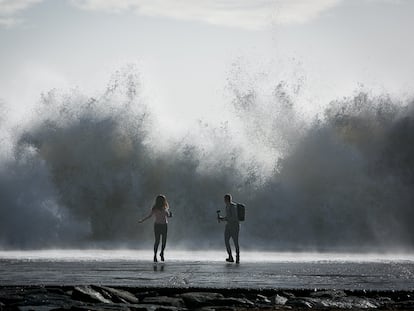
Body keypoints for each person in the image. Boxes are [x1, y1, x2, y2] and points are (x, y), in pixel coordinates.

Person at [139, 194, 172, 262]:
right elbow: (168, 216)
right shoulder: (164, 208)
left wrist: (142, 220)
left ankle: (155, 255)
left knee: (157, 241)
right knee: (163, 241)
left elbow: (149, 216)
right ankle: (161, 253)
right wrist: (171, 214)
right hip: (163, 226)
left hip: (157, 225)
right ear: (163, 201)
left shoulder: (155, 208)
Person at [218, 193, 240, 263]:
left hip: (235, 226)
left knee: (235, 242)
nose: (224, 200)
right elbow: (228, 217)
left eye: (224, 199)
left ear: (227, 199)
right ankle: (230, 256)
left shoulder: (233, 207)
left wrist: (224, 219)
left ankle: (237, 257)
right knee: (226, 241)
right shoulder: (227, 207)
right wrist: (222, 219)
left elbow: (234, 217)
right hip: (228, 226)